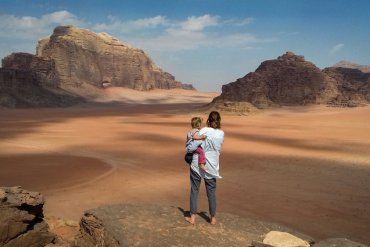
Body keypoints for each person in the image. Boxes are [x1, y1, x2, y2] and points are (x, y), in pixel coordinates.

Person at [185, 111, 224, 225]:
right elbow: (219, 147)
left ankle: (192, 218)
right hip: (212, 167)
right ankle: (212, 218)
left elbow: (193, 142)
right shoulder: (221, 133)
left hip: (197, 164)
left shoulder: (203, 130)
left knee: (194, 190)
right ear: (219, 120)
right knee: (211, 192)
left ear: (208, 120)